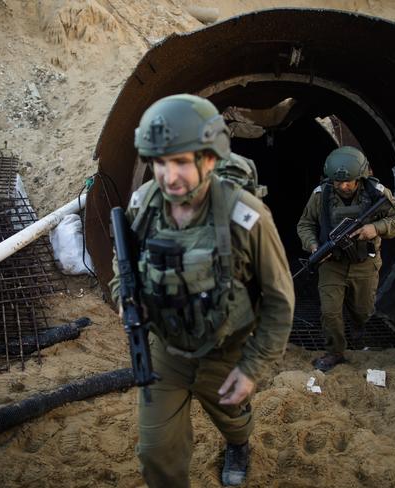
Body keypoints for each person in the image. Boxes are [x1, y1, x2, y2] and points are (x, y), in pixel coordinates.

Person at [109, 94, 295, 487]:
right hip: (165, 352)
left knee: (232, 417)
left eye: (180, 162)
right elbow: (121, 267)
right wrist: (126, 299)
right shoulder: (143, 205)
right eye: (160, 162)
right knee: (156, 453)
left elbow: (280, 301)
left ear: (209, 159)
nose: (168, 176)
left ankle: (239, 443)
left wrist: (251, 369)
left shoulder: (245, 216)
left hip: (225, 351)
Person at [296, 146, 395, 372]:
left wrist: (375, 228)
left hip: (364, 264)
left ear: (359, 177)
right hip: (332, 264)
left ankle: (358, 331)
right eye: (338, 182)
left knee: (363, 310)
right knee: (330, 311)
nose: (343, 186)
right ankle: (334, 352)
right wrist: (313, 245)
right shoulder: (321, 195)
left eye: (349, 181)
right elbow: (305, 224)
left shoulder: (377, 192)